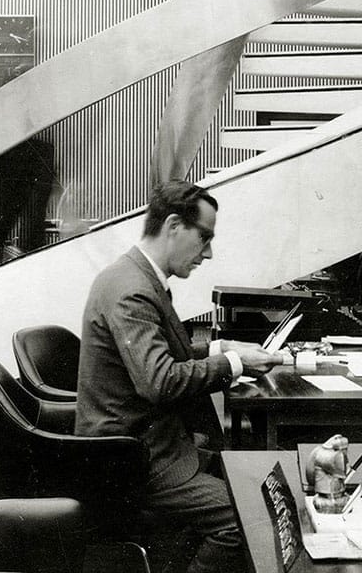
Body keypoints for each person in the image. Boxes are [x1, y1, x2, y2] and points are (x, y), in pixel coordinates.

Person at [76, 179, 286, 573]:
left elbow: (162, 359)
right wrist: (234, 366)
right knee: (244, 520)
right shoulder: (132, 290)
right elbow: (160, 381)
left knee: (253, 484)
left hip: (148, 445)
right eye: (203, 238)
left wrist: (224, 350)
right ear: (173, 226)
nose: (208, 253)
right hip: (133, 459)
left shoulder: (138, 278)